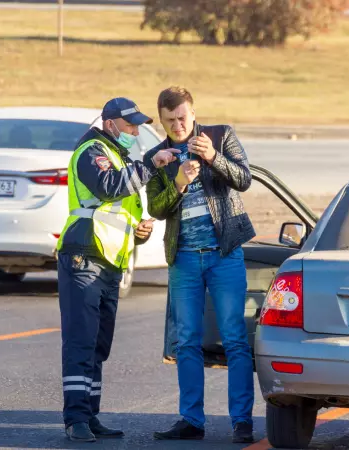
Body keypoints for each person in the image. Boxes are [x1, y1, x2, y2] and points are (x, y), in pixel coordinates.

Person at [56, 97, 179, 442]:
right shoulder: (92, 151)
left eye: (138, 126)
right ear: (110, 123)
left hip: (109, 261)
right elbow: (109, 187)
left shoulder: (116, 154)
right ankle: (75, 419)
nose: (135, 132)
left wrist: (138, 232)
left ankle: (90, 415)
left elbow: (117, 210)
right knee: (81, 342)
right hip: (84, 257)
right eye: (129, 126)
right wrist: (151, 164)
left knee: (98, 345)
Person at [145, 86, 256, 444]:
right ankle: (191, 421)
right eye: (170, 120)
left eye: (182, 117)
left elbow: (244, 179)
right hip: (185, 258)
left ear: (193, 113)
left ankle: (242, 421)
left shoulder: (221, 136)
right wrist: (178, 183)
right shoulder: (157, 156)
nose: (178, 125)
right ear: (161, 120)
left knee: (235, 338)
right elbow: (156, 209)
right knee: (187, 341)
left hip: (224, 254)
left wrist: (213, 158)